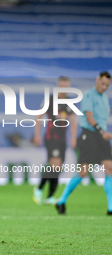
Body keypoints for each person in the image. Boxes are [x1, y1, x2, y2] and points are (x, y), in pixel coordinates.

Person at [56, 71, 112, 214]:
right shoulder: (89, 95)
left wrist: (103, 133)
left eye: (107, 85)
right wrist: (102, 132)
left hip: (102, 137)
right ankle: (62, 200)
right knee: (83, 171)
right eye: (103, 84)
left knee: (109, 167)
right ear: (97, 80)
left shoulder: (105, 98)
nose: (105, 87)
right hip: (90, 135)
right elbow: (89, 116)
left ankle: (111, 208)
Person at [33, 76, 77, 205]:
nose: (64, 89)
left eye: (66, 86)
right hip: (51, 137)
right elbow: (38, 117)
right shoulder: (50, 100)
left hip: (62, 139)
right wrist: (37, 135)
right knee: (55, 165)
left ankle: (49, 196)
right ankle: (39, 189)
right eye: (62, 86)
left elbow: (73, 122)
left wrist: (73, 137)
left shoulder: (69, 102)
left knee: (58, 167)